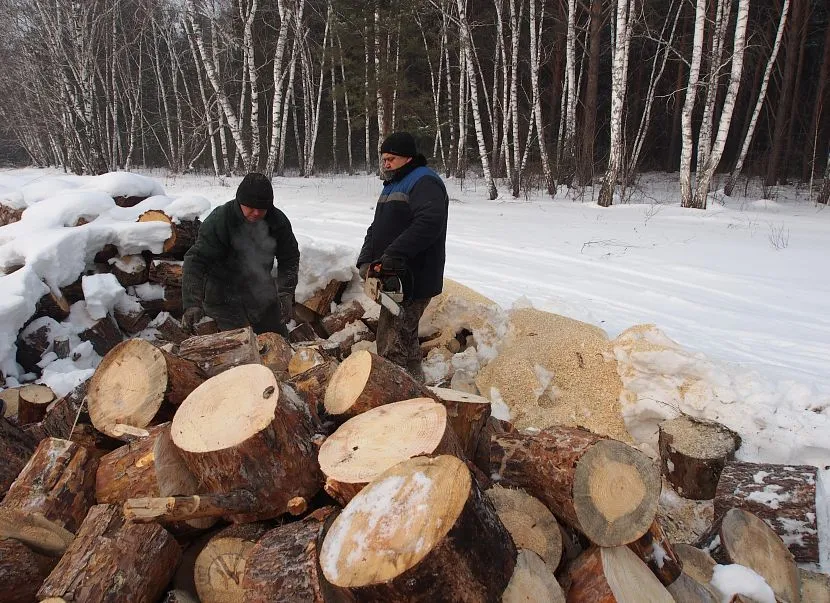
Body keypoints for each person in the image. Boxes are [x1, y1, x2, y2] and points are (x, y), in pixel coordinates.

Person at [357, 132, 449, 382]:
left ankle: (397, 393)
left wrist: (394, 254)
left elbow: (429, 222)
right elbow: (376, 227)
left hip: (413, 276)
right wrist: (366, 259)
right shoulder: (393, 185)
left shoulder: (423, 181)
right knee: (404, 338)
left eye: (391, 159)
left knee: (392, 341)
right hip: (392, 273)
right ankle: (415, 386)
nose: (386, 164)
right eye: (384, 159)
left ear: (408, 158)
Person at [182, 172, 299, 336]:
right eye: (251, 207)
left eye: (262, 209)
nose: (257, 213)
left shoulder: (278, 221)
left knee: (276, 340)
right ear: (240, 201)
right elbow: (196, 261)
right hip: (222, 293)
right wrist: (192, 303)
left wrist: (286, 292)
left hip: (260, 291)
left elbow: (290, 258)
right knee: (240, 344)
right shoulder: (220, 219)